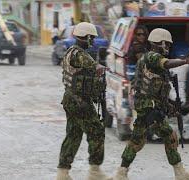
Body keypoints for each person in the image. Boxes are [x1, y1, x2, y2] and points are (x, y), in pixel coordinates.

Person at [112, 28, 189, 180]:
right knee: (161, 137)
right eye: (167, 44)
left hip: (151, 106)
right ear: (161, 42)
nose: (168, 48)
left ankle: (122, 172)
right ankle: (179, 173)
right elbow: (167, 63)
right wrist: (184, 61)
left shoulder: (153, 62)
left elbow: (157, 90)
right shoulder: (152, 57)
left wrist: (170, 107)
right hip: (148, 107)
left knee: (141, 139)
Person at [56, 22, 110, 180]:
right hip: (80, 101)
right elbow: (96, 67)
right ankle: (95, 172)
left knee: (73, 135)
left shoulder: (71, 51)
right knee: (97, 132)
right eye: (91, 38)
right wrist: (101, 67)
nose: (93, 42)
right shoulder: (79, 53)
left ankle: (62, 173)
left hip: (71, 99)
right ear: (85, 37)